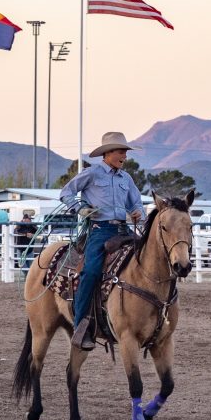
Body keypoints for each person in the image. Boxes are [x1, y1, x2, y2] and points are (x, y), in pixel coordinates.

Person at [60, 132, 146, 350]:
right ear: (107, 154)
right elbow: (66, 192)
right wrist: (81, 208)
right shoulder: (92, 173)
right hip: (100, 230)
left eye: (125, 152)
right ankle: (82, 327)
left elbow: (137, 203)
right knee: (90, 272)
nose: (124, 156)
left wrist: (137, 212)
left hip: (124, 230)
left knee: (145, 261)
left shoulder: (126, 178)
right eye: (120, 151)